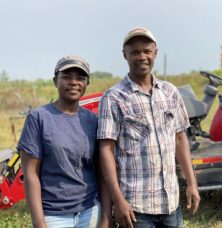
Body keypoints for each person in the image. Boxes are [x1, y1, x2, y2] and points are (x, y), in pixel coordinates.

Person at [97, 28, 200, 228]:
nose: (141, 57)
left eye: (146, 51)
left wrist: (192, 183)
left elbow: (179, 138)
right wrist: (118, 201)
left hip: (170, 203)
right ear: (124, 55)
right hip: (136, 207)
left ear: (155, 53)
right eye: (135, 52)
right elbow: (106, 150)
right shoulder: (114, 97)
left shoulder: (170, 92)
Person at [18, 55, 109, 228]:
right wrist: (39, 222)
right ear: (55, 81)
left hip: (89, 212)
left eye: (80, 78)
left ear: (87, 83)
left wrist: (105, 217)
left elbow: (101, 172)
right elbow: (30, 173)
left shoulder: (93, 120)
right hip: (53, 216)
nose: (74, 82)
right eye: (66, 77)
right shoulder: (39, 118)